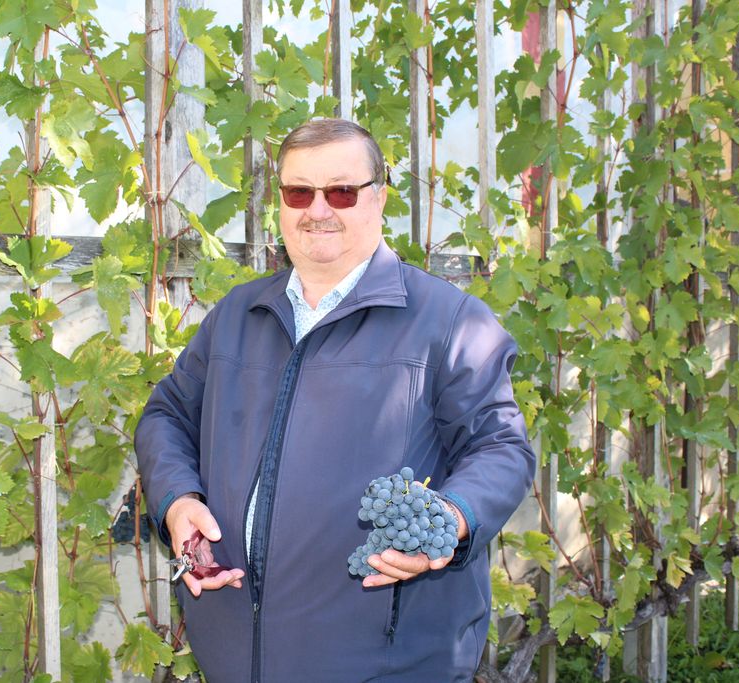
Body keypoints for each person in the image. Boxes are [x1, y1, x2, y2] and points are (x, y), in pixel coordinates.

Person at [135, 118, 535, 682]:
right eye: (299, 192)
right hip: (234, 656)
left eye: (342, 191)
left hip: (387, 662)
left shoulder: (450, 322)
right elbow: (166, 416)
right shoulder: (237, 317)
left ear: (379, 197)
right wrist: (179, 502)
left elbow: (502, 449)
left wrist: (449, 518)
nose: (317, 210)